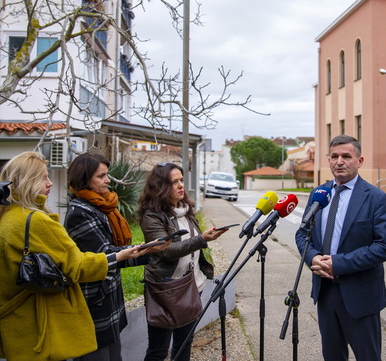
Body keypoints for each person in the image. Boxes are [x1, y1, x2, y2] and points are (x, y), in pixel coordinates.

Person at [0, 151, 143, 361]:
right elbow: (77, 266)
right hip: (40, 324)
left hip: (18, 323)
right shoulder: (36, 221)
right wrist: (121, 255)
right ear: (28, 181)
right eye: (43, 177)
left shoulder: (9, 216)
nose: (50, 183)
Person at [295, 135, 386, 361]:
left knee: (367, 356)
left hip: (360, 294)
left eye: (346, 156)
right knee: (332, 356)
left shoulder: (376, 198)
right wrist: (313, 258)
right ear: (329, 160)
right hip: (325, 292)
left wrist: (338, 264)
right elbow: (303, 233)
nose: (339, 161)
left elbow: (385, 246)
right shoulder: (319, 194)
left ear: (359, 161)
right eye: (334, 156)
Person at [65, 152, 168, 361]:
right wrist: (146, 250)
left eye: (107, 174)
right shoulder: (79, 212)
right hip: (95, 302)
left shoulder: (101, 206)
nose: (107, 180)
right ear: (85, 180)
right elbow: (106, 255)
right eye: (101, 176)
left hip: (107, 298)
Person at [137, 161, 228, 361]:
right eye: (173, 182)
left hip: (193, 285)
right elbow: (167, 251)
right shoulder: (152, 215)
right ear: (160, 187)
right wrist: (202, 239)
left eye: (181, 180)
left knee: (184, 344)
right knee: (158, 350)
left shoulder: (186, 209)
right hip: (166, 290)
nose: (180, 185)